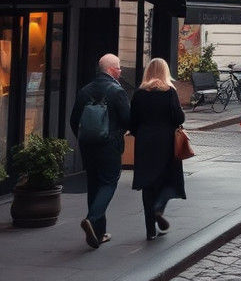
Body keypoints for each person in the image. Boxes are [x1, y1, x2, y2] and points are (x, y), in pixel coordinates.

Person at [69, 52, 131, 249]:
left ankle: (98, 233)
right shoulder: (117, 91)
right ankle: (92, 218)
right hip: (109, 145)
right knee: (109, 182)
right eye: (119, 67)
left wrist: (85, 137)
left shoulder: (85, 90)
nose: (121, 71)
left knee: (94, 184)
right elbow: (128, 120)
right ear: (112, 70)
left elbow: (74, 120)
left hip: (88, 146)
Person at [129, 58, 186, 241]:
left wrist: (141, 133)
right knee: (168, 179)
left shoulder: (139, 94)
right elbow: (178, 118)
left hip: (145, 141)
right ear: (165, 72)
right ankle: (159, 208)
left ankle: (150, 230)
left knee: (148, 185)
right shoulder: (170, 92)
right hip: (166, 141)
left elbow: (133, 121)